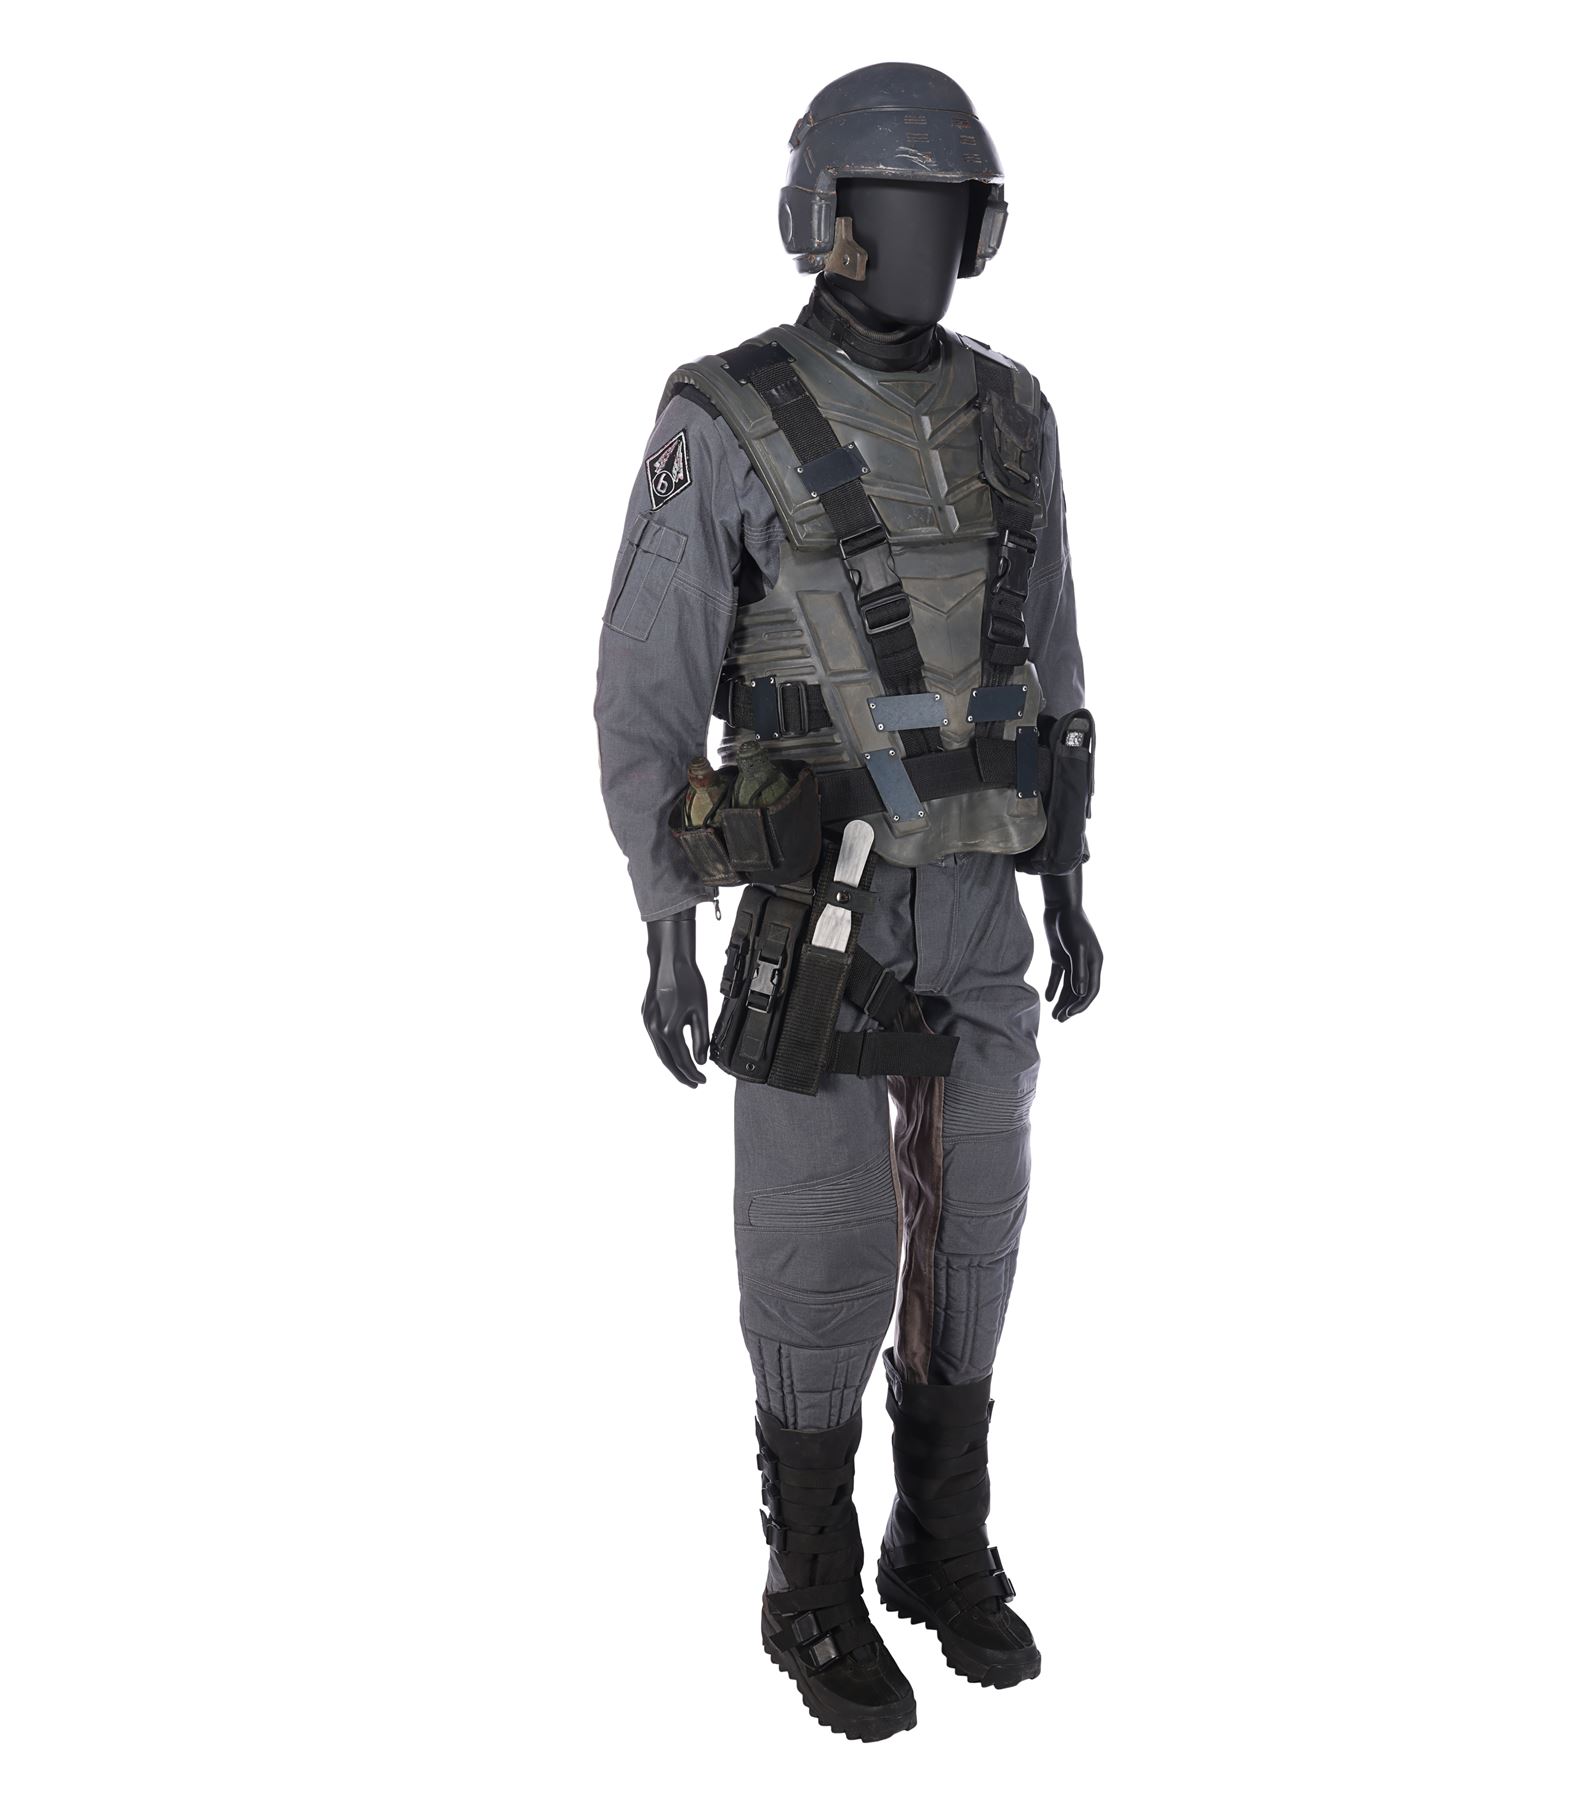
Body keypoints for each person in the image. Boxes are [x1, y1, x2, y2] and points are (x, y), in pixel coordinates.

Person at [594, 63, 1102, 1740]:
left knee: (978, 1225)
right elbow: (648, 684)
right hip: (810, 900)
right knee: (821, 1247)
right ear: (826, 220)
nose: (923, 243)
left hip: (980, 898)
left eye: (949, 215)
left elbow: (1049, 654)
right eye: (894, 210)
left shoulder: (1014, 414)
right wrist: (665, 913)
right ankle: (806, 1584)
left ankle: (937, 1542)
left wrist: (1070, 876)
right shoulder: (725, 417)